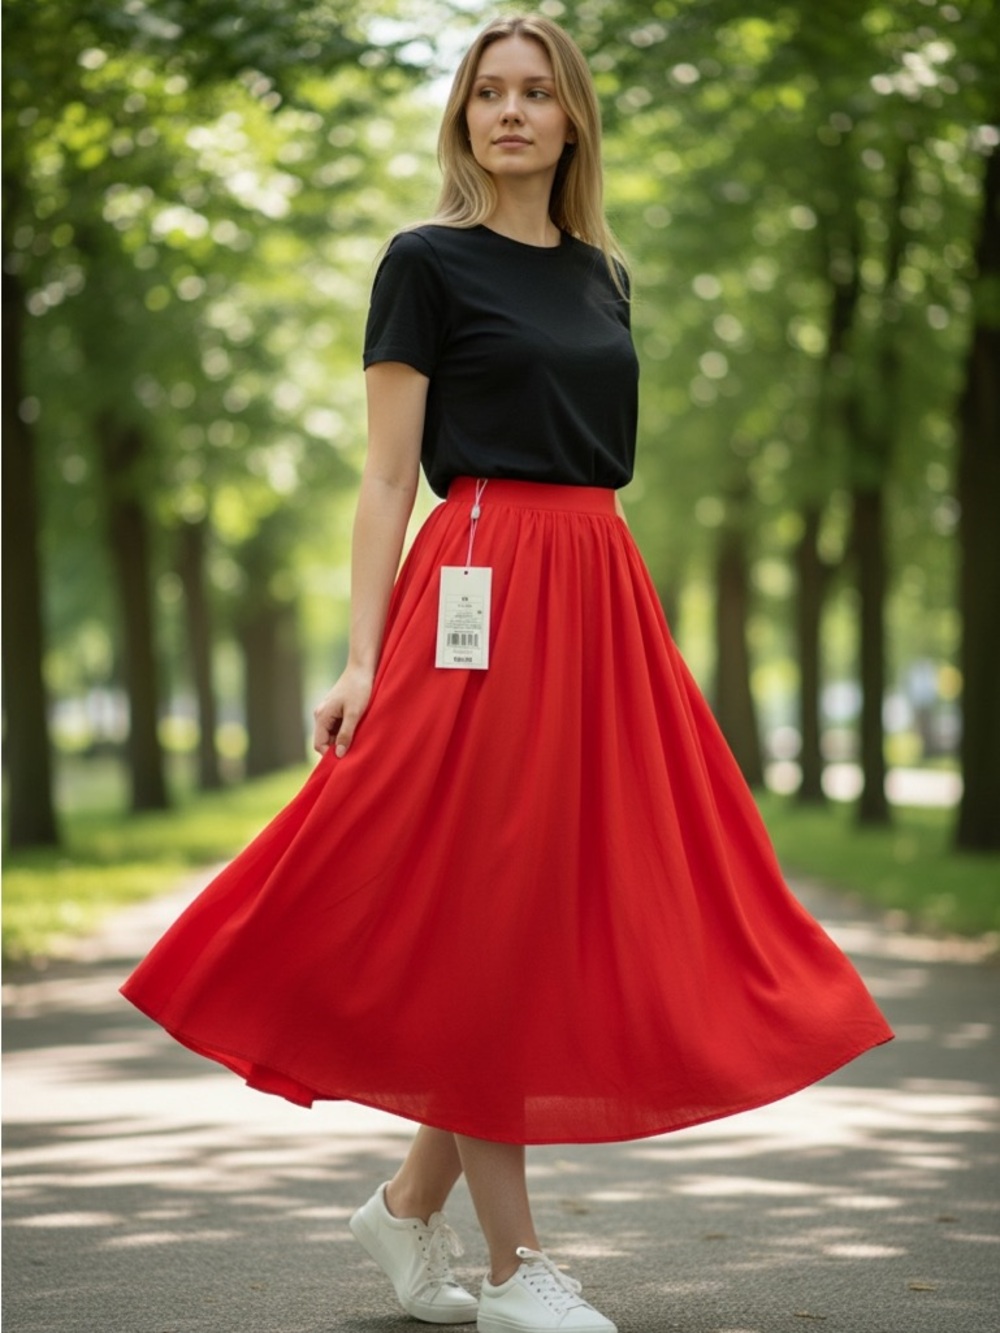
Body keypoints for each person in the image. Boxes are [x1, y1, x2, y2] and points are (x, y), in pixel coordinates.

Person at [122, 14, 893, 1332]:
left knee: (548, 899)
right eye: (490, 92)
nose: (514, 113)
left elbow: (600, 454)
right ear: (464, 116)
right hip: (480, 575)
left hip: (597, 582)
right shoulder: (422, 262)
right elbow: (381, 475)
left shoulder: (605, 274)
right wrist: (363, 654)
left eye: (539, 92)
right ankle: (511, 1265)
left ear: (575, 117)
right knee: (484, 896)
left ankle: (410, 1210)